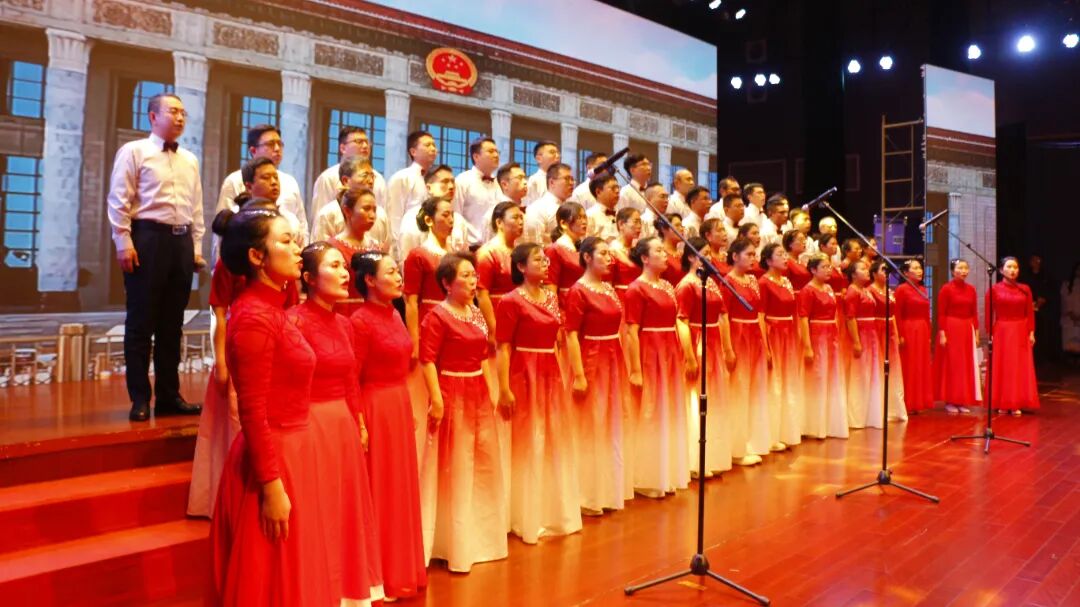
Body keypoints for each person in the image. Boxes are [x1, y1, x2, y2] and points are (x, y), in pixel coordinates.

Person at [208, 206, 332, 606]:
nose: (297, 249)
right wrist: (271, 485)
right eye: (286, 241)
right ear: (256, 256)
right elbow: (252, 410)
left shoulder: (271, 309)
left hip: (294, 452)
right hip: (272, 461)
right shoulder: (252, 318)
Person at [188, 195, 294, 519]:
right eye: (285, 240)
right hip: (247, 355)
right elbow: (220, 314)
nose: (295, 248)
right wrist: (220, 362)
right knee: (237, 428)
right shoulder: (249, 311)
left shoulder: (282, 281)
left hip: (276, 352)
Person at [289, 243, 383, 604]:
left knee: (345, 511)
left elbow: (350, 381)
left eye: (345, 267)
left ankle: (346, 591)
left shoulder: (345, 324)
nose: (345, 273)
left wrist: (359, 422)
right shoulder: (294, 321)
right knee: (318, 512)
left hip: (342, 424)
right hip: (311, 425)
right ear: (309, 278)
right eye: (334, 266)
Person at [106, 92, 204, 422]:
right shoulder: (134, 151)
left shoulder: (189, 159)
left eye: (183, 113)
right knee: (140, 323)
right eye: (172, 111)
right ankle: (139, 398)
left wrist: (196, 248)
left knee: (172, 325)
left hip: (181, 242)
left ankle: (168, 396)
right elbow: (119, 199)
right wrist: (123, 241)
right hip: (147, 238)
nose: (180, 118)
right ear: (152, 116)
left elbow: (196, 207)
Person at [419, 253, 507, 572]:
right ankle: (450, 542)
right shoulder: (436, 317)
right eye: (465, 276)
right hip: (451, 391)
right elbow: (427, 360)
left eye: (474, 276)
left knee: (481, 461)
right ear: (446, 283)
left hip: (477, 391)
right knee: (455, 464)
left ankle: (480, 538)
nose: (473, 282)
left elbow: (483, 355)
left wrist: (491, 389)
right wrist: (436, 398)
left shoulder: (476, 312)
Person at [350, 252, 427, 600]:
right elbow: (352, 377)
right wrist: (360, 421)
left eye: (398, 271)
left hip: (398, 403)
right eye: (391, 272)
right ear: (369, 280)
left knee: (400, 488)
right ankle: (379, 573)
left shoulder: (395, 314)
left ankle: (401, 569)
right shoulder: (360, 321)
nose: (399, 278)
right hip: (375, 407)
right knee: (380, 488)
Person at [496, 243, 582, 544]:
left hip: (550, 370)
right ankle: (524, 515)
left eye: (546, 259)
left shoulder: (551, 297)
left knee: (552, 437)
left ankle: (552, 510)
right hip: (524, 372)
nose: (545, 263)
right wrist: (504, 388)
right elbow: (503, 347)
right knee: (529, 439)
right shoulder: (510, 301)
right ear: (521, 267)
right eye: (537, 259)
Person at [565, 237, 632, 513]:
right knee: (591, 424)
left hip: (613, 356)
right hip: (592, 358)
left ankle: (609, 490)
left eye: (609, 253)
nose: (609, 258)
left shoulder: (609, 288)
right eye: (602, 253)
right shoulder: (578, 291)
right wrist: (579, 374)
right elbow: (571, 334)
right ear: (587, 257)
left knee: (611, 422)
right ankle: (587, 495)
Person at [625, 237, 695, 497]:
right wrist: (635, 369)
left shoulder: (667, 286)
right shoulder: (636, 289)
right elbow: (631, 331)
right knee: (651, 410)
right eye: (658, 251)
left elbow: (677, 321)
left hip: (669, 350)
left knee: (669, 408)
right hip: (650, 351)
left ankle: (667, 472)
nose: (665, 255)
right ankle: (647, 477)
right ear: (644, 258)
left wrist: (686, 353)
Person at [676, 237, 735, 476]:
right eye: (704, 253)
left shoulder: (711, 283)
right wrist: (690, 356)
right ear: (691, 257)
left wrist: (728, 348)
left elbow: (722, 315)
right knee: (696, 398)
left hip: (714, 341)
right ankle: (694, 461)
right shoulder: (687, 285)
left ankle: (714, 456)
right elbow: (681, 320)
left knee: (715, 397)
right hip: (698, 340)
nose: (710, 257)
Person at [723, 237, 773, 463]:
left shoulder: (753, 280)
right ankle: (736, 448)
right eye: (748, 254)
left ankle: (755, 441)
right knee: (740, 391)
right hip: (738, 335)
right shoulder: (727, 282)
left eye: (754, 254)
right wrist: (728, 348)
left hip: (755, 336)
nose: (753, 258)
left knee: (756, 389)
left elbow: (759, 313)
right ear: (735, 256)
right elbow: (723, 316)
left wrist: (765, 343)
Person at [215, 124, 308, 243]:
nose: (277, 149)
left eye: (279, 144)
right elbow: (223, 229)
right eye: (270, 144)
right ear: (253, 150)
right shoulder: (234, 180)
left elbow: (302, 225)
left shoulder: (290, 182)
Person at [797, 253, 848, 439]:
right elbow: (803, 318)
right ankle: (813, 425)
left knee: (831, 376)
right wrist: (807, 346)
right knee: (817, 378)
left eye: (829, 267)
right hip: (817, 335)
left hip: (831, 335)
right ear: (813, 270)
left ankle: (830, 423)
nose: (828, 270)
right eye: (824, 267)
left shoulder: (828, 288)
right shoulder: (807, 291)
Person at [759, 243, 801, 449]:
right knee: (773, 384)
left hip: (788, 333)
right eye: (780, 255)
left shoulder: (786, 281)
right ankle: (771, 435)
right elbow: (760, 315)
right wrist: (765, 345)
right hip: (773, 332)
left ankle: (787, 431)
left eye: (785, 254)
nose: (785, 258)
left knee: (788, 381)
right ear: (768, 260)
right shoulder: (763, 283)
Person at [987, 257, 1040, 415]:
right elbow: (989, 313)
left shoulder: (1025, 289)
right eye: (1009, 267)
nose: (1012, 270)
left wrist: (1031, 332)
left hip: (1020, 330)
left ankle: (1017, 401)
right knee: (1003, 365)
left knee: (1018, 366)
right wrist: (990, 333)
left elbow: (1029, 312)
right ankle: (1002, 401)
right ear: (1001, 270)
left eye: (1015, 267)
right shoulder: (994, 289)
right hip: (1002, 330)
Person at [935, 259, 983, 414]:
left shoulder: (971, 289)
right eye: (960, 268)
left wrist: (976, 332)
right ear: (952, 271)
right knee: (952, 364)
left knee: (965, 365)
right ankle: (950, 400)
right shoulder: (946, 289)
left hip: (967, 328)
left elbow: (974, 312)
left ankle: (961, 400)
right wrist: (943, 333)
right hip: (951, 327)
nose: (963, 271)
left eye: (966, 268)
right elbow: (941, 313)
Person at [310, 156, 391, 246]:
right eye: (365, 175)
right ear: (345, 180)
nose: (371, 181)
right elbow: (319, 251)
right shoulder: (329, 214)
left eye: (372, 176)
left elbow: (386, 249)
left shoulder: (380, 214)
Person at [327, 188, 383, 315]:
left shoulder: (375, 247)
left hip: (372, 314)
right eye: (366, 209)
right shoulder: (333, 247)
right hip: (342, 313)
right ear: (347, 211)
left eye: (374, 210)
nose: (372, 215)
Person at [311, 126, 387, 217]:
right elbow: (320, 216)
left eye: (367, 142)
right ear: (343, 148)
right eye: (359, 142)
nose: (365, 146)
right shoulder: (328, 178)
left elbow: (382, 214)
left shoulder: (378, 178)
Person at [844, 259, 885, 429]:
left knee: (871, 372)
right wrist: (856, 341)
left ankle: (871, 414)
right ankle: (857, 416)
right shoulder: (852, 291)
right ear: (853, 274)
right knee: (859, 374)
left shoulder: (865, 290)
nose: (867, 270)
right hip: (861, 333)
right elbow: (850, 317)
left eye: (867, 268)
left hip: (871, 334)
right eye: (862, 268)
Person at [398, 164, 471, 260]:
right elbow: (406, 257)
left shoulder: (459, 220)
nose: (451, 186)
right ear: (429, 188)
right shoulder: (412, 218)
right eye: (444, 182)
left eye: (452, 182)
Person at [476, 201, 524, 339]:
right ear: (499, 222)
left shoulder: (519, 251)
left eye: (521, 217)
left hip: (519, 315)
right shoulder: (487, 253)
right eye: (515, 217)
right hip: (498, 314)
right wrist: (493, 328)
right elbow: (481, 294)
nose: (521, 222)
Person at [869, 260, 908, 421]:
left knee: (893, 368)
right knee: (878, 367)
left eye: (887, 271)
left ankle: (893, 408)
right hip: (877, 329)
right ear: (874, 274)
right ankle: (878, 408)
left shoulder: (889, 290)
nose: (886, 273)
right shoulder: (870, 291)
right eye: (882, 270)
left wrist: (897, 333)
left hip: (890, 329)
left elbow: (893, 315)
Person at [895, 259, 935, 414]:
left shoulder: (923, 289)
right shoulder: (901, 289)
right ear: (906, 273)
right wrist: (900, 334)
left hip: (922, 329)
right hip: (908, 329)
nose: (920, 271)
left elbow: (926, 314)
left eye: (920, 268)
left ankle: (919, 401)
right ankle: (908, 402)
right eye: (916, 268)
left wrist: (929, 334)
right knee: (909, 365)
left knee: (920, 365)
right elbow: (897, 313)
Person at [236, 157, 304, 244]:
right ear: (249, 187)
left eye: (276, 177)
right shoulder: (239, 220)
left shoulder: (291, 220)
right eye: (266, 177)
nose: (273, 182)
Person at [387, 130, 438, 244]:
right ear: (413, 151)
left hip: (431, 241)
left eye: (434, 145)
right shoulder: (402, 177)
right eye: (427, 145)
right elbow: (394, 216)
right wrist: (397, 246)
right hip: (408, 240)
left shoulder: (437, 179)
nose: (433, 149)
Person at [453, 137, 503, 247]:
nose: (496, 155)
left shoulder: (496, 183)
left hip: (493, 246)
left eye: (497, 152)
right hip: (471, 247)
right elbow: (456, 214)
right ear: (476, 156)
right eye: (491, 151)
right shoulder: (463, 180)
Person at [544, 202, 588, 308]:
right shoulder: (554, 250)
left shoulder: (581, 248)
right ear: (563, 223)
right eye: (579, 218)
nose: (584, 222)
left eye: (585, 217)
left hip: (583, 304)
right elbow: (550, 287)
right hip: (566, 307)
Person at [523, 162, 575, 244]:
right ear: (552, 182)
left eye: (572, 179)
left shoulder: (571, 207)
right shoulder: (538, 208)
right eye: (567, 179)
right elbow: (535, 243)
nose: (572, 183)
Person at [609, 208, 643, 300]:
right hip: (622, 297)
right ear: (621, 224)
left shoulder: (637, 248)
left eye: (640, 222)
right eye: (635, 222)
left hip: (639, 296)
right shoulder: (612, 250)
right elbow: (608, 283)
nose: (639, 226)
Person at [585, 174, 621, 242]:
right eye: (613, 188)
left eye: (618, 187)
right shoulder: (589, 216)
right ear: (598, 192)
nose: (617, 191)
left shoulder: (621, 214)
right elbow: (586, 244)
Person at [524, 140, 561, 206]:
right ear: (539, 159)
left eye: (558, 153)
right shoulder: (534, 181)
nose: (557, 156)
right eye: (552, 152)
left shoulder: (561, 180)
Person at [657, 213, 687, 285]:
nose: (681, 229)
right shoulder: (659, 254)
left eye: (681, 226)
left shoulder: (682, 254)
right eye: (677, 225)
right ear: (664, 229)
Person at [1062, 263, 1080, 363]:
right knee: (1070, 340)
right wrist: (1070, 313)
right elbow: (1065, 300)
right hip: (1069, 317)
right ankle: (1071, 360)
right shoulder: (1067, 285)